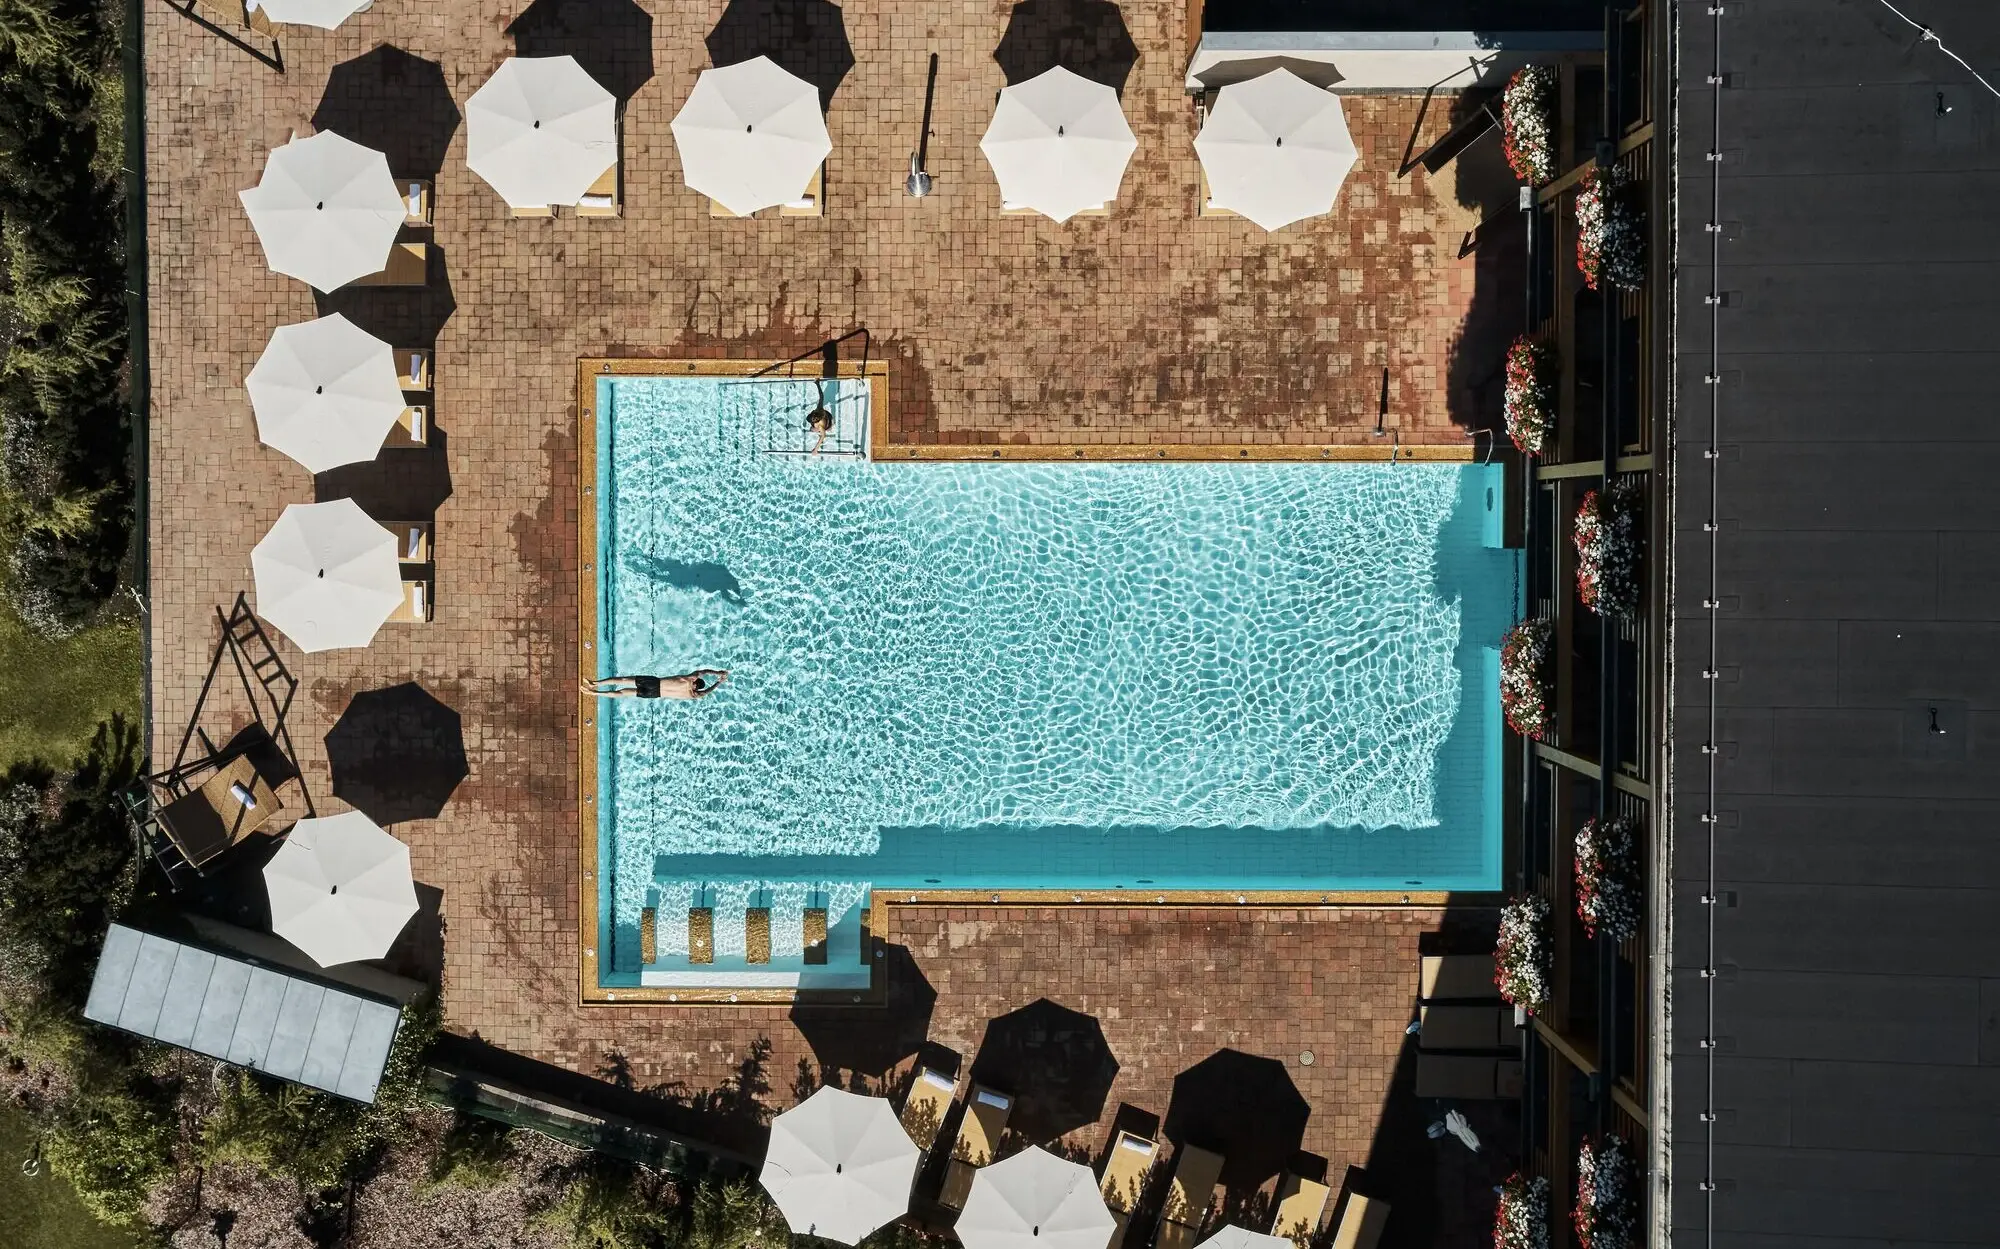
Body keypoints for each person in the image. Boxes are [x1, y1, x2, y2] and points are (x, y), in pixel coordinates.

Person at [581, 670, 728, 700]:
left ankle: (595, 684)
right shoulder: (692, 695)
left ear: (695, 682)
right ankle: (595, 693)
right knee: (623, 692)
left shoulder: (689, 679)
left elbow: (703, 672)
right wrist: (718, 683)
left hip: (654, 682)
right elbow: (707, 692)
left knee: (622, 680)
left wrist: (717, 673)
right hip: (654, 694)